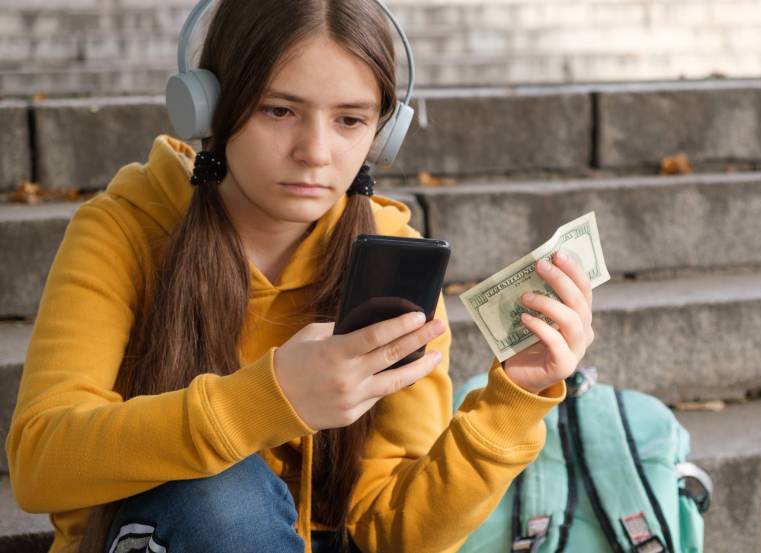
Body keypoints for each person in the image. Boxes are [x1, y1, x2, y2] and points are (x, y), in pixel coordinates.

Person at [4, 0, 595, 552]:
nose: (315, 152)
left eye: (349, 120)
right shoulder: (124, 228)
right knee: (218, 493)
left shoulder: (394, 259)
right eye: (279, 110)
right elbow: (39, 463)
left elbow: (394, 532)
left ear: (383, 133)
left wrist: (514, 399)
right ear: (209, 105)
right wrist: (270, 400)